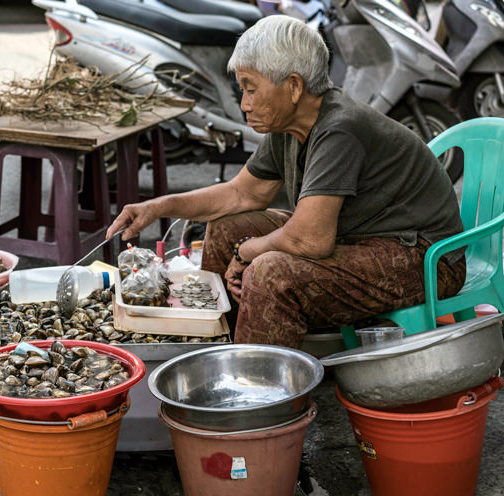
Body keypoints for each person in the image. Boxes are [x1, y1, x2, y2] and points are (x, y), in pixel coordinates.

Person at [106, 15, 466, 349]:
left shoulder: (339, 128)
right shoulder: (289, 126)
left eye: (251, 89)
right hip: (357, 238)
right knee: (225, 229)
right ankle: (223, 346)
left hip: (423, 257)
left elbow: (310, 239)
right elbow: (240, 194)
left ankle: (262, 389)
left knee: (270, 272)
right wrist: (157, 207)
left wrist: (246, 251)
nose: (244, 103)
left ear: (293, 86)